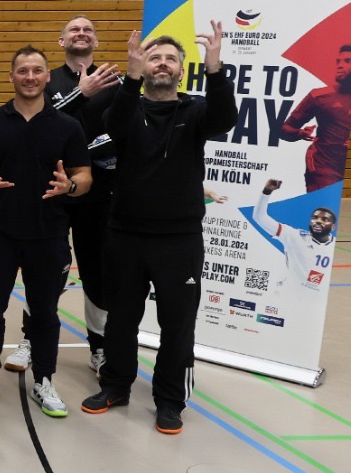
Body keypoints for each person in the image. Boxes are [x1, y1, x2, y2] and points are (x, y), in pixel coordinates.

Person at [84, 26, 237, 435]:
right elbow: (114, 124)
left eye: (170, 58)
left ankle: (170, 401)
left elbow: (227, 119)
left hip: (179, 240)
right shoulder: (126, 109)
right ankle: (115, 385)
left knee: (177, 325)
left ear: (181, 70)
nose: (162, 63)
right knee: (121, 319)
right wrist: (129, 79)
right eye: (155, 58)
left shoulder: (196, 111)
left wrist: (216, 69)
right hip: (126, 235)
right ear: (144, 67)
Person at [0, 46, 91, 419]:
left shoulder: (68, 126)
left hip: (49, 234)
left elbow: (85, 176)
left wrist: (70, 186)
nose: (30, 77)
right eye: (22, 71)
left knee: (45, 312)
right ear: (12, 76)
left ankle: (44, 380)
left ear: (47, 76)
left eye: (37, 70)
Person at [41, 15, 121, 375]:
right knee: (47, 268)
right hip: (54, 189)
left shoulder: (115, 83)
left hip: (100, 193)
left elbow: (126, 129)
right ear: (62, 41)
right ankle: (32, 340)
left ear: (96, 42)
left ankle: (99, 347)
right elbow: (39, 121)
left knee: (97, 270)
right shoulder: (46, 79)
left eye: (89, 29)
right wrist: (80, 94)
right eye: (73, 28)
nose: (82, 33)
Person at [279, 44, 351, 191]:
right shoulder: (320, 96)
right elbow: (284, 129)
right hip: (324, 165)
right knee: (325, 210)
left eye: (348, 61)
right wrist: (299, 133)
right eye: (338, 62)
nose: (340, 65)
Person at [256, 178, 337, 294]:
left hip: (314, 303)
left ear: (332, 227)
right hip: (285, 298)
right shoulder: (294, 236)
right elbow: (260, 218)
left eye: (324, 219)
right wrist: (266, 192)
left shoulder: (334, 246)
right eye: (314, 218)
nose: (318, 221)